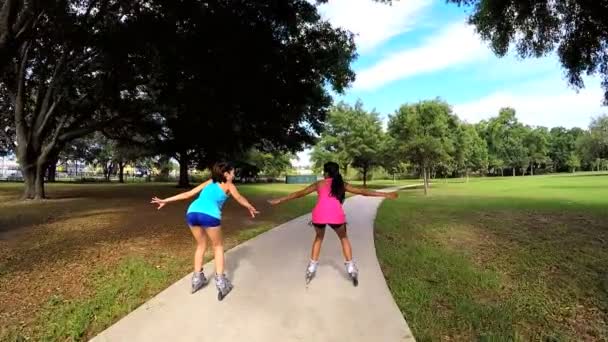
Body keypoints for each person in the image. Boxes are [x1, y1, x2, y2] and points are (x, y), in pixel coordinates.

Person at [268, 161, 398, 285]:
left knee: (318, 238)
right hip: (336, 216)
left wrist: (279, 200)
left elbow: (299, 194)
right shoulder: (342, 184)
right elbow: (364, 192)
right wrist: (386, 195)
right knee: (343, 238)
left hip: (318, 215)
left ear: (326, 173)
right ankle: (351, 268)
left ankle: (312, 267)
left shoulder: (319, 184)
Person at [151, 162, 259, 299]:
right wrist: (249, 206)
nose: (234, 174)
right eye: (233, 172)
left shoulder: (209, 182)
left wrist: (166, 200)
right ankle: (221, 283)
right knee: (218, 246)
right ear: (226, 174)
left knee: (201, 245)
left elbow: (188, 194)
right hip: (209, 214)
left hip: (192, 212)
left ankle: (197, 279)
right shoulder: (229, 185)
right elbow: (239, 198)